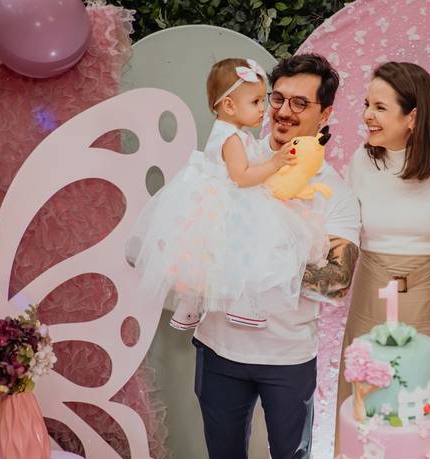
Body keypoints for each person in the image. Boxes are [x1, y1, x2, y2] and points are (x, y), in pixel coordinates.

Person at [190, 54, 360, 459]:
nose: (283, 111)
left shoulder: (335, 192)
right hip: (220, 346)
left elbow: (336, 282)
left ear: (325, 113)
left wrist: (264, 257)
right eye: (277, 98)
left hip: (287, 356)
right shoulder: (235, 161)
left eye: (300, 103)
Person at [128, 57, 332, 331]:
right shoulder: (232, 139)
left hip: (211, 203)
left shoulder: (232, 133)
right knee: (247, 252)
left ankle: (190, 307)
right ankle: (242, 304)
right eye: (256, 102)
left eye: (262, 101)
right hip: (230, 203)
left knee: (204, 261)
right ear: (229, 105)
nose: (263, 109)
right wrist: (275, 163)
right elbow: (241, 177)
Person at [334, 61, 430, 452]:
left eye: (379, 107)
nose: (366, 116)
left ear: (413, 117)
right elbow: (340, 229)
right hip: (370, 295)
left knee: (421, 404)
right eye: (366, 104)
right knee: (366, 402)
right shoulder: (361, 161)